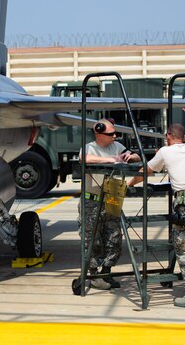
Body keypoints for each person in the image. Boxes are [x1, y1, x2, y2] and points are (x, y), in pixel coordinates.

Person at [128, 123, 185, 308]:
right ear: (183, 138)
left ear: (168, 136)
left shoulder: (165, 152)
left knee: (183, 248)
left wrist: (130, 184)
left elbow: (146, 171)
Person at [79, 118, 141, 290]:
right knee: (91, 239)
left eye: (115, 133)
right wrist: (111, 160)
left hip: (111, 199)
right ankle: (93, 274)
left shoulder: (117, 145)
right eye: (110, 134)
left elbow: (135, 155)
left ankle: (106, 272)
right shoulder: (89, 148)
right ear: (98, 133)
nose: (114, 136)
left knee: (113, 238)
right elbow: (83, 158)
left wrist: (131, 156)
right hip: (92, 201)